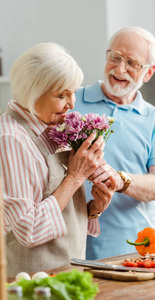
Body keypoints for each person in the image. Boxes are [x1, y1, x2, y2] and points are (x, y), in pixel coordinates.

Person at [0, 43, 116, 277]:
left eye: (73, 92)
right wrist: (75, 177)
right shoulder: (11, 139)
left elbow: (57, 206)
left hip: (69, 275)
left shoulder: (52, 127)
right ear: (32, 92)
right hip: (32, 285)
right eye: (61, 95)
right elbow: (28, 230)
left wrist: (93, 209)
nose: (72, 104)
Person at [73, 26, 155, 260]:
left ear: (148, 72)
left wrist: (121, 180)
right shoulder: (71, 100)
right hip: (73, 250)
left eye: (132, 63)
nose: (119, 69)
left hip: (135, 253)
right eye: (114, 57)